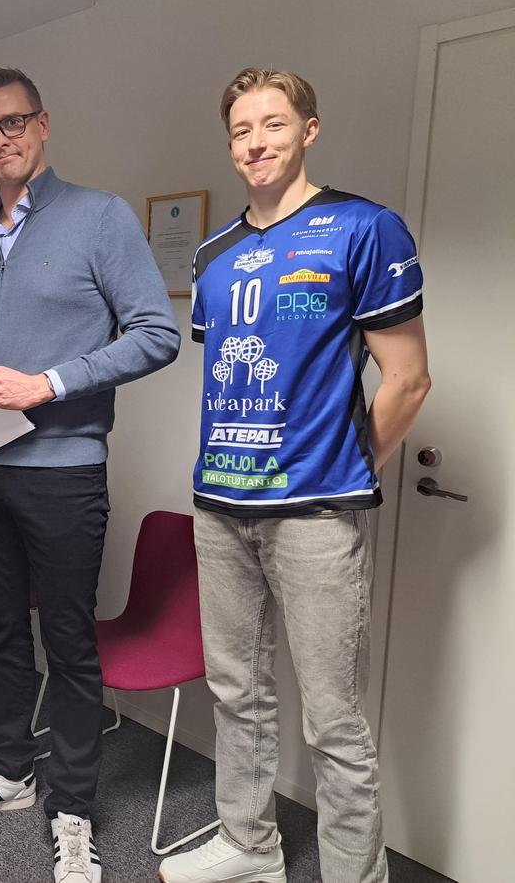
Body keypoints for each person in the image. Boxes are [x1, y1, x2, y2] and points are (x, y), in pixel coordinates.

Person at [0, 68, 179, 883]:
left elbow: (157, 333)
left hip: (64, 473)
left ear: (43, 125)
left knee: (69, 641)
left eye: (13, 122)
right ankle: (11, 771)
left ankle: (72, 808)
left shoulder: (100, 217)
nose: (0, 140)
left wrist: (46, 384)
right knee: (1, 631)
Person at [158, 68, 431, 883]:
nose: (256, 143)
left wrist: (345, 465)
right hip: (219, 504)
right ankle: (250, 846)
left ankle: (354, 874)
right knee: (236, 693)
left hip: (314, 513)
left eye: (273, 124)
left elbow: (408, 379)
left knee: (334, 719)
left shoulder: (363, 228)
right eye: (241, 130)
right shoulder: (214, 254)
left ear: (308, 130)